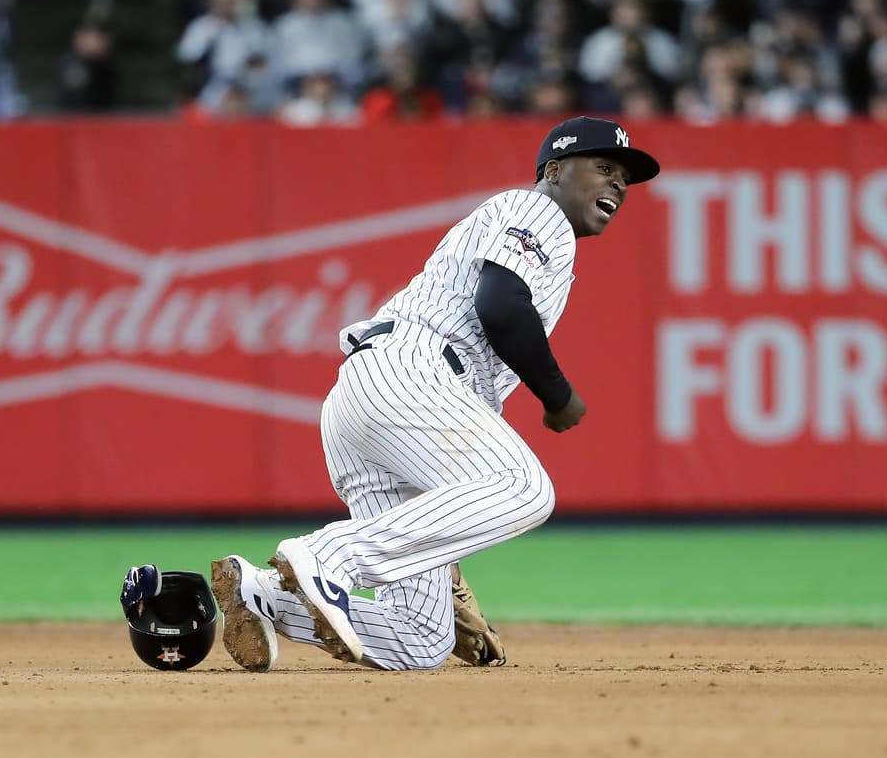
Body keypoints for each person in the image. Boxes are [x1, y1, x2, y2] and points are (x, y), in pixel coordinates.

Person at [210, 116, 660, 672]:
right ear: (554, 170)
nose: (617, 183)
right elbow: (502, 306)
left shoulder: (535, 229)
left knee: (420, 639)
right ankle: (326, 555)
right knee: (525, 489)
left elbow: (439, 512)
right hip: (411, 374)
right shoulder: (536, 210)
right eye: (603, 168)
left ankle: (263, 595)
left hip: (377, 401)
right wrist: (558, 395)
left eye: (624, 177)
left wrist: (445, 562)